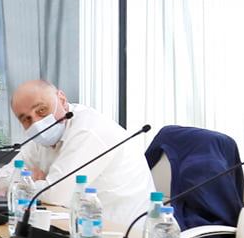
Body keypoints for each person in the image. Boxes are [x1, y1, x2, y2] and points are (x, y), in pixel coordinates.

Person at [9, 79, 154, 227]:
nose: (36, 122)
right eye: (26, 119)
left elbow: (56, 195)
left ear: (62, 100)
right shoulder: (42, 135)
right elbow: (2, 179)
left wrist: (26, 183)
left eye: (41, 110)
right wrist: (33, 182)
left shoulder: (89, 129)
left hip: (121, 232)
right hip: (78, 226)